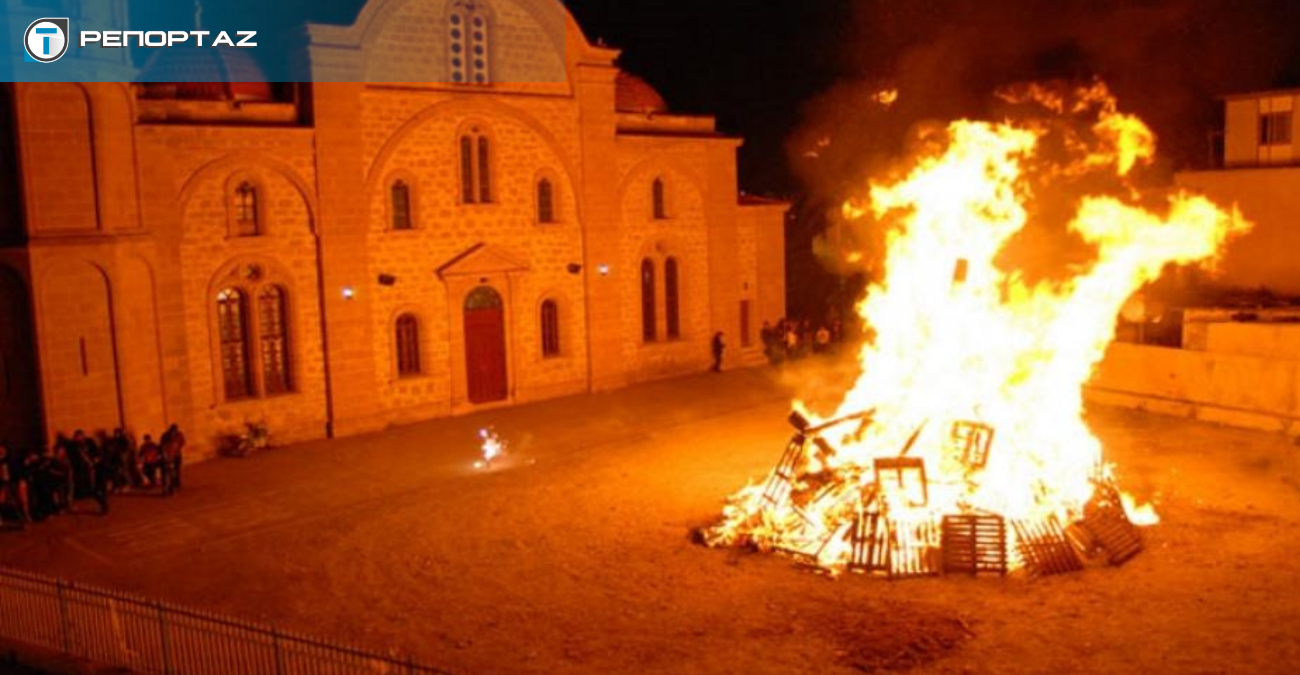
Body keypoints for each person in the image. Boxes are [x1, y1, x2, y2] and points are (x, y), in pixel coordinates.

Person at [161, 424, 186, 494]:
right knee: (168, 472)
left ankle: (175, 484)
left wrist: (178, 448)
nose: (173, 432)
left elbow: (183, 442)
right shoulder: (166, 436)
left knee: (176, 470)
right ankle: (168, 488)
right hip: (169, 456)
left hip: (176, 455)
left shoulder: (179, 434)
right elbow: (162, 445)